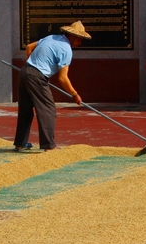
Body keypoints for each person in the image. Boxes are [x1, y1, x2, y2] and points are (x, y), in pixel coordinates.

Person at [13, 21, 90, 152]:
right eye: (79, 39)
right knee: (48, 109)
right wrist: (74, 94)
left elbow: (29, 47)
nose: (80, 43)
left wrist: (31, 65)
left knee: (25, 110)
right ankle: (49, 146)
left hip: (25, 71)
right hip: (36, 76)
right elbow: (62, 78)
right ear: (72, 36)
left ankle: (20, 143)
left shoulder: (51, 37)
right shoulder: (66, 50)